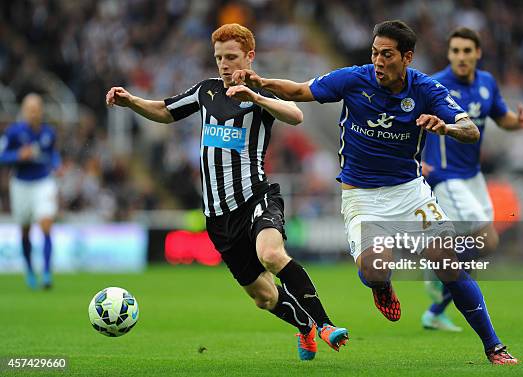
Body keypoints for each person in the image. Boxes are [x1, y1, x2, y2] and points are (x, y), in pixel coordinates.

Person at [231, 20, 517, 364]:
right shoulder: (355, 78)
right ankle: (381, 287)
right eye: (375, 53)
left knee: (447, 262)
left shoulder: (426, 89)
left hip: (411, 194)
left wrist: (448, 128)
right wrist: (261, 85)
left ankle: (494, 346)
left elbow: (470, 129)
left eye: (387, 55)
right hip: (362, 197)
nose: (378, 61)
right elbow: (298, 91)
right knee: (374, 271)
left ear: (407, 57)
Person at [105, 23, 348, 361]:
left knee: (272, 255)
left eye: (231, 57)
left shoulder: (260, 90)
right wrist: (131, 101)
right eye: (219, 57)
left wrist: (256, 95)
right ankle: (304, 326)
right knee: (263, 297)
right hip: (219, 217)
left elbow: (296, 115)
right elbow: (164, 110)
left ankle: (324, 325)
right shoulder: (206, 91)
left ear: (249, 57)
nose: (224, 63)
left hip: (256, 197)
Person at [421, 27, 523, 332]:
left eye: (467, 51)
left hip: (473, 176)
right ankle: (437, 268)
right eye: (455, 50)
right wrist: (418, 160)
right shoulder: (435, 85)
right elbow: (412, 122)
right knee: (485, 238)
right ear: (449, 54)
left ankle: (435, 304)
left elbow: (502, 117)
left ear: (477, 53)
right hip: (446, 176)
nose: (461, 56)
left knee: (485, 244)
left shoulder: (486, 83)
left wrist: (518, 123)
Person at [0, 93, 60, 289]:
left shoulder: (49, 132)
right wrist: (18, 155)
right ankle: (29, 269)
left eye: (36, 109)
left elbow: (52, 155)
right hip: (21, 184)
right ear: (24, 111)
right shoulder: (13, 132)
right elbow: (2, 157)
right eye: (30, 109)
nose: (33, 113)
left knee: (46, 225)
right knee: (25, 230)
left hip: (43, 182)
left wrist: (57, 164)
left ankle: (47, 274)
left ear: (41, 111)